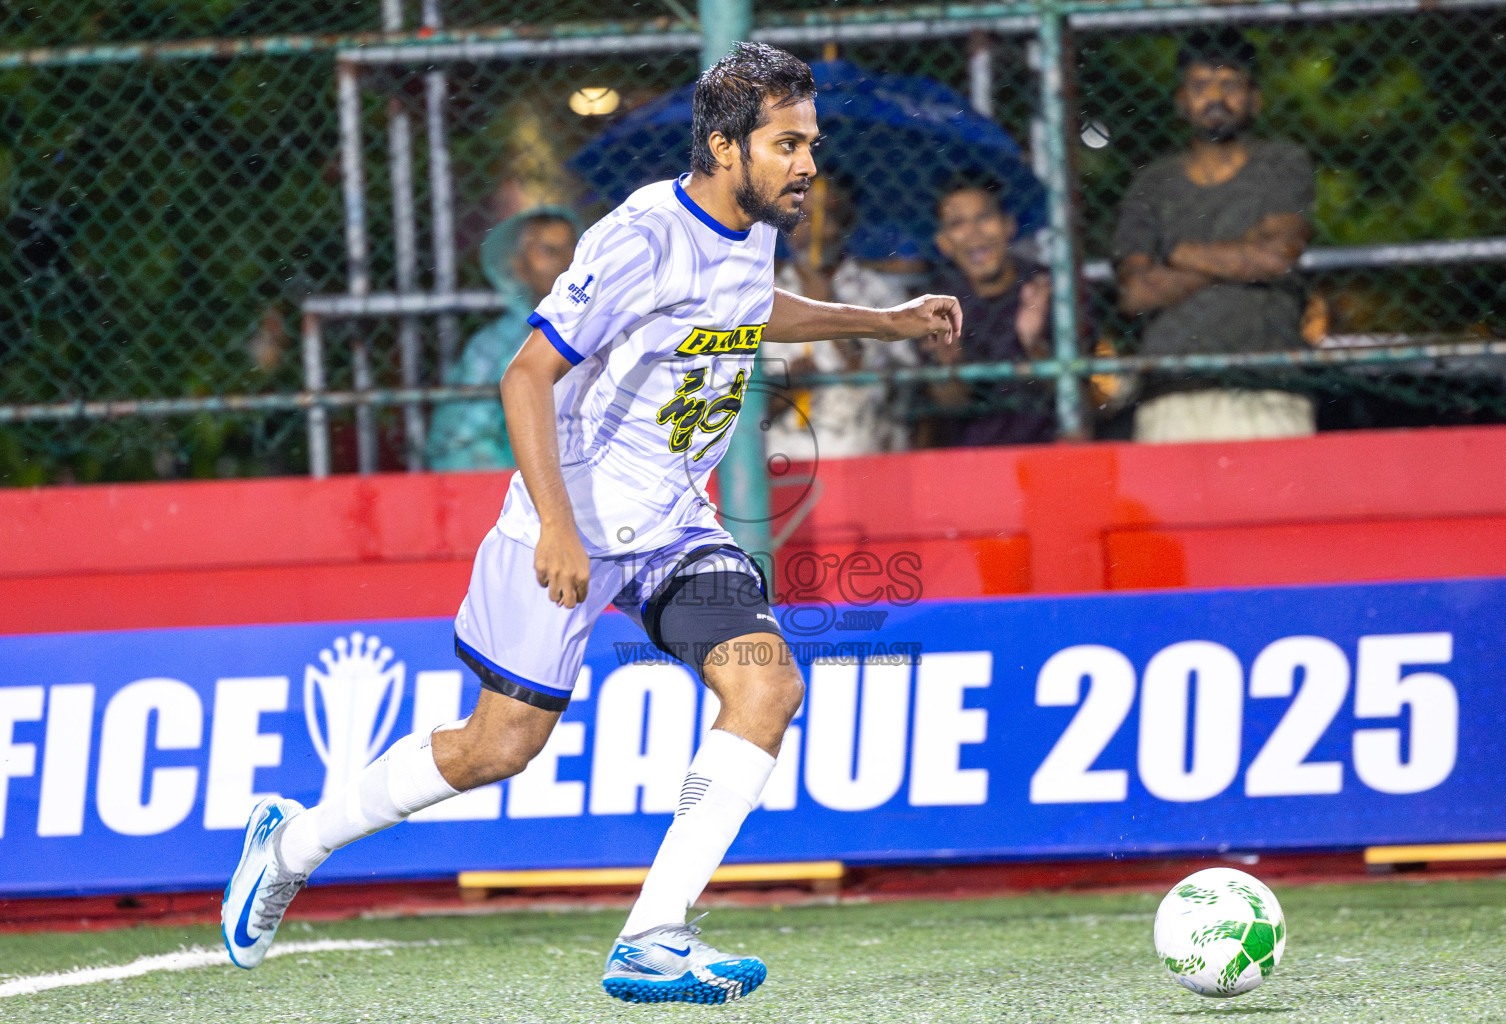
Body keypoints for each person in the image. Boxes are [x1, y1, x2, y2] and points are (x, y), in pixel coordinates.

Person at [219, 42, 961, 1005]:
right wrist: (558, 530)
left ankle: (653, 937)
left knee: (767, 687)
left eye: (810, 142)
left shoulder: (756, 222)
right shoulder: (641, 234)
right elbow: (526, 373)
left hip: (667, 525)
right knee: (498, 747)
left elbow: (742, 308)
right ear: (726, 145)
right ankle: (293, 843)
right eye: (788, 144)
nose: (808, 163)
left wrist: (882, 322)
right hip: (567, 519)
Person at [1115, 27, 1316, 443]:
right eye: (1201, 86)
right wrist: (1242, 255)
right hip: (1172, 389)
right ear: (1181, 101)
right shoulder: (1152, 184)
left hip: (1269, 385)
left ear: (1254, 99)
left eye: (1231, 85)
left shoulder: (1282, 164)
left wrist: (1181, 255)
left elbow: (1278, 255)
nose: (1216, 97)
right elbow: (1135, 293)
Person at [763, 175, 918, 460]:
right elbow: (740, 411)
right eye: (802, 216)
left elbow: (894, 395)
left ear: (848, 223)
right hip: (780, 466)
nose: (814, 230)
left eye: (828, 217)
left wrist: (826, 309)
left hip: (861, 459)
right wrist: (787, 387)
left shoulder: (881, 294)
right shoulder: (762, 298)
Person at [426, 207, 579, 470]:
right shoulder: (492, 348)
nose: (566, 262)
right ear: (519, 267)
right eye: (549, 251)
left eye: (573, 250)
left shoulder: (609, 332)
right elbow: (457, 448)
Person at [921, 178, 1054, 447]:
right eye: (957, 224)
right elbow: (950, 404)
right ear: (943, 243)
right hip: (970, 455)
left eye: (984, 217)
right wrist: (948, 364)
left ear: (1009, 226)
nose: (973, 232)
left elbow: (1086, 398)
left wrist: (1034, 345)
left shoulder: (1045, 288)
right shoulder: (935, 302)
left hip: (1046, 446)